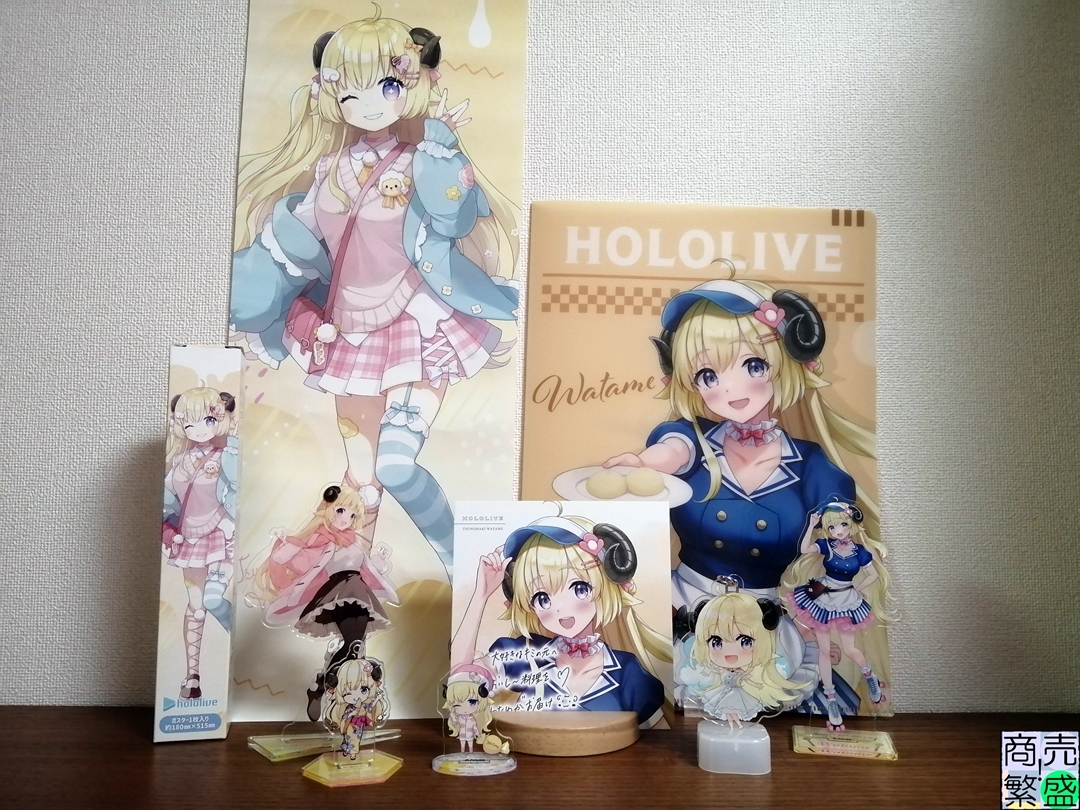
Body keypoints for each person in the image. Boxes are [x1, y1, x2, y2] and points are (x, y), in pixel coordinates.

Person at [230, 9, 520, 575]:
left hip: (418, 323)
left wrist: (441, 148)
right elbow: (299, 246)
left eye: (387, 85)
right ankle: (349, 590)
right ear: (332, 93)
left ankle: (468, 568)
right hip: (348, 332)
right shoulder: (327, 171)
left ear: (411, 86)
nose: (368, 104)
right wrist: (262, 295)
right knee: (361, 481)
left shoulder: (423, 160)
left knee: (394, 466)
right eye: (352, 91)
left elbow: (454, 217)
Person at [604, 277, 877, 716]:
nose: (730, 390)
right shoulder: (692, 441)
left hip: (765, 619)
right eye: (708, 375)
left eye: (753, 365)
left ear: (786, 361)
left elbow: (837, 518)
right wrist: (640, 464)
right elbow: (670, 452)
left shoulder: (810, 464)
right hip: (684, 605)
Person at [451, 515, 670, 728]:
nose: (560, 608)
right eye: (542, 598)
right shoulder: (527, 655)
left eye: (579, 588)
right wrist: (481, 595)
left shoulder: (627, 672)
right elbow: (460, 680)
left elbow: (657, 741)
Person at [250, 484, 398, 720]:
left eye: (352, 515)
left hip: (360, 593)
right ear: (329, 509)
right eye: (341, 511)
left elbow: (366, 569)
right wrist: (288, 546)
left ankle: (324, 688)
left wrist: (380, 560)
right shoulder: (321, 539)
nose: (345, 519)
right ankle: (335, 692)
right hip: (338, 593)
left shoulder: (353, 543)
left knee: (355, 646)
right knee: (354, 645)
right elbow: (300, 563)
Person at [781, 500, 892, 730]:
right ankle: (831, 701)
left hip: (846, 599)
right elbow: (804, 549)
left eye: (842, 525)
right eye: (831, 527)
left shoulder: (860, 552)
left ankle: (869, 676)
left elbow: (872, 574)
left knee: (850, 649)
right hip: (823, 596)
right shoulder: (827, 545)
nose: (838, 531)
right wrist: (811, 524)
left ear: (851, 524)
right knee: (823, 651)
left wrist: (857, 590)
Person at [162, 387, 238, 700]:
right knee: (196, 608)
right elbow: (168, 500)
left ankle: (240, 646)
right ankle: (192, 675)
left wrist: (231, 519)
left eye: (208, 420)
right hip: (190, 538)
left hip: (220, 532)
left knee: (213, 598)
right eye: (190, 422)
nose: (199, 429)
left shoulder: (227, 456)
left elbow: (238, 490)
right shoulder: (179, 460)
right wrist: (168, 530)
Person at [679, 591, 807, 727]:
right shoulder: (715, 671)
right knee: (726, 711)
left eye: (745, 642)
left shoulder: (752, 670)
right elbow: (711, 673)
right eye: (716, 642)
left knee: (736, 711)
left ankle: (737, 725)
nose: (730, 655)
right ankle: (732, 724)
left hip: (742, 696)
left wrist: (757, 684)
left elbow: (750, 680)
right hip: (720, 695)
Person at [324, 657, 389, 760]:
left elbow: (370, 706)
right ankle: (348, 750)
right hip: (349, 724)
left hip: (359, 725)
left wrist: (377, 699)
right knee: (348, 738)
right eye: (347, 693)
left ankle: (352, 752)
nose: (356, 697)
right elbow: (344, 716)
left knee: (356, 739)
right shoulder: (348, 707)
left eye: (363, 689)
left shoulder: (364, 705)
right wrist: (352, 713)